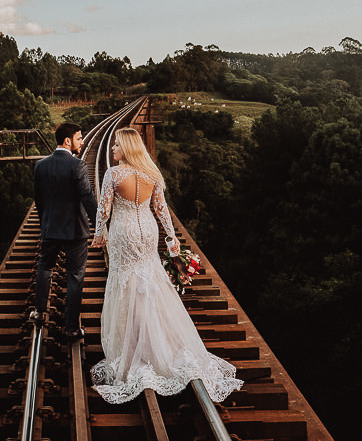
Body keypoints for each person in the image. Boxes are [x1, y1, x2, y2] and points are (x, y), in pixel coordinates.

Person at [90, 127, 242, 404]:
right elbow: (161, 209)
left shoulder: (114, 175)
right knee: (151, 281)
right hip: (148, 231)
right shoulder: (151, 173)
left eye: (115, 146)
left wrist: (100, 234)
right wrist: (172, 238)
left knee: (126, 282)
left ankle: (132, 348)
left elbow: (104, 209)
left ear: (125, 148)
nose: (112, 150)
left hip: (123, 232)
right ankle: (160, 342)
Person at [32, 122, 98, 343]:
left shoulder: (40, 166)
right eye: (79, 138)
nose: (82, 142)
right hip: (75, 231)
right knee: (75, 276)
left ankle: (40, 312)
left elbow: (39, 201)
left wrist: (45, 223)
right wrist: (100, 223)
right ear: (68, 141)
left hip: (51, 228)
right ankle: (71, 328)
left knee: (45, 267)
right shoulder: (76, 166)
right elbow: (87, 198)